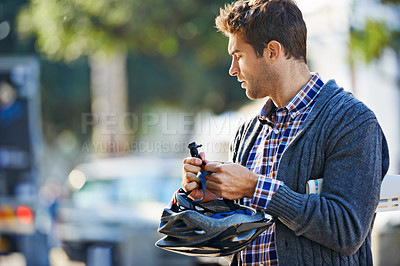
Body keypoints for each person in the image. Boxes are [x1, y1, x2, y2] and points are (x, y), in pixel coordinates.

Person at [181, 0, 390, 265]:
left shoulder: (352, 121)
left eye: (238, 56)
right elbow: (243, 227)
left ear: (272, 51)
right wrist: (212, 199)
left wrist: (255, 187)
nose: (232, 69)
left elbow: (346, 229)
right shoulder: (249, 131)